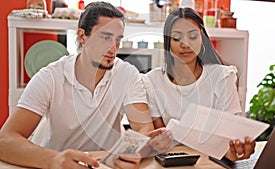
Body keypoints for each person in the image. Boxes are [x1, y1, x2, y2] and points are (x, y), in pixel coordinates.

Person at [0, 2, 171, 169]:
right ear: (82, 36)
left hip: (103, 165)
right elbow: (4, 140)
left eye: (118, 40)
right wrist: (54, 160)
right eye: (105, 37)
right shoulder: (50, 77)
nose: (113, 48)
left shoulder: (127, 74)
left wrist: (135, 151)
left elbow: (143, 127)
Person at [143, 7, 255, 162]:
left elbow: (231, 133)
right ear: (167, 42)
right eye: (176, 38)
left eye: (193, 36)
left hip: (213, 161)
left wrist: (236, 148)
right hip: (174, 162)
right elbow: (161, 140)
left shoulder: (222, 76)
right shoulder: (152, 81)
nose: (185, 44)